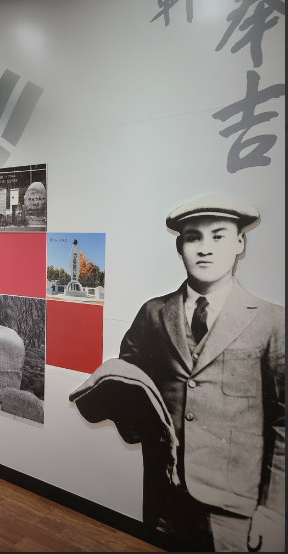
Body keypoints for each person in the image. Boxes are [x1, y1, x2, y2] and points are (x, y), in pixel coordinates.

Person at [118, 194, 285, 552]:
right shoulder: (153, 313)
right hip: (166, 497)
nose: (205, 248)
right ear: (180, 247)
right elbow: (125, 381)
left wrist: (274, 510)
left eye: (219, 236)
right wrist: (139, 428)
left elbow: (283, 422)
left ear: (240, 243)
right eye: (193, 237)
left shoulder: (273, 321)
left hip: (238, 510)